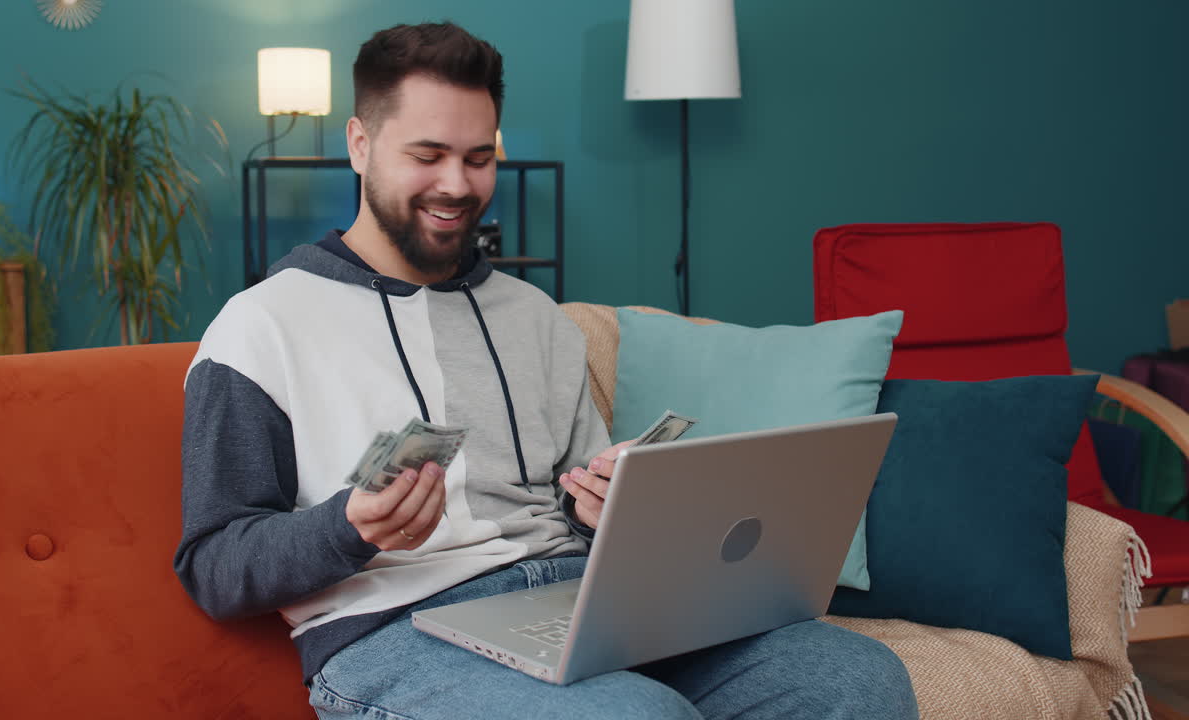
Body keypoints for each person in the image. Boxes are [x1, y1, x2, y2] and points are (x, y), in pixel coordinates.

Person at [175, 21, 918, 720]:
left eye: (478, 157)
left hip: (573, 604)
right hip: (393, 632)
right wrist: (347, 526)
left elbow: (569, 504)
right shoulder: (261, 325)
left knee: (856, 678)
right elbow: (213, 563)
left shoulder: (533, 315)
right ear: (361, 145)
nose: (458, 186)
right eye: (427, 155)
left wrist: (604, 507)